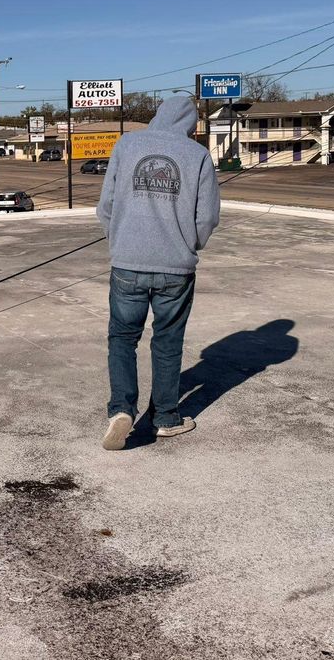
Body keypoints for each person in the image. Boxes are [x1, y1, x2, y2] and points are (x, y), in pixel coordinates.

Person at [95, 95, 221, 450]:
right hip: (176, 268)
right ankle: (165, 417)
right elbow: (207, 215)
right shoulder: (197, 156)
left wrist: (119, 240)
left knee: (122, 338)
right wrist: (188, 245)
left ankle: (121, 410)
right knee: (167, 342)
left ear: (158, 116)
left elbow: (106, 205)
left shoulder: (127, 144)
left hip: (127, 263)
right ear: (190, 124)